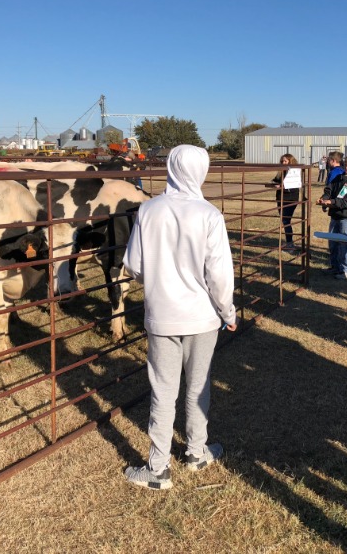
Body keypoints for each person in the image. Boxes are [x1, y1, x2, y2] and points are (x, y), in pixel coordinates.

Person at [122, 144, 237, 490]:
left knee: (163, 389)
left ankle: (157, 468)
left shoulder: (148, 210)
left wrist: (159, 278)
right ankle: (197, 451)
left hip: (162, 316)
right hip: (202, 318)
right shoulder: (209, 215)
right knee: (198, 385)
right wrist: (227, 311)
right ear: (202, 170)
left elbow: (134, 265)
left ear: (170, 167)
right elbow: (219, 274)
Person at [317, 153, 347, 279]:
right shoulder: (338, 177)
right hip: (335, 214)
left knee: (344, 243)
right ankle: (334, 267)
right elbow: (329, 190)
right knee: (333, 243)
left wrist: (331, 202)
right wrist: (324, 199)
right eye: (345, 165)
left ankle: (345, 270)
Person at [268, 154, 302, 252]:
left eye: (285, 161)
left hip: (290, 199)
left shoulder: (294, 172)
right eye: (282, 161)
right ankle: (289, 242)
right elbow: (275, 180)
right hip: (280, 198)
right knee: (284, 221)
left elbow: (294, 186)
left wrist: (281, 186)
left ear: (291, 161)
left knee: (286, 221)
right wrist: (274, 183)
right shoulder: (281, 172)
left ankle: (290, 244)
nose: (283, 163)